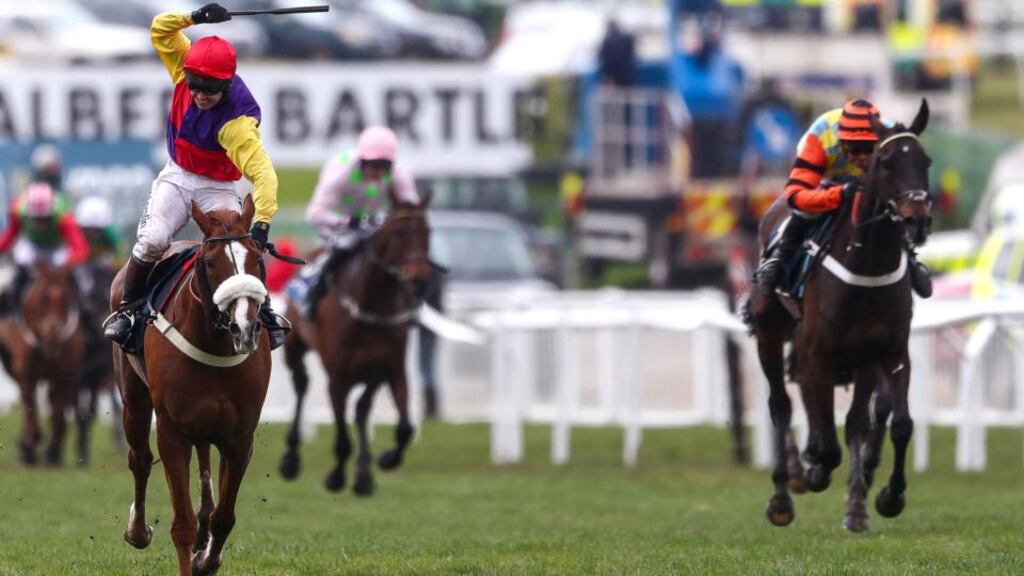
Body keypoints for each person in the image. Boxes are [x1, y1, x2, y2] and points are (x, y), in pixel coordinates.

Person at [104, 3, 288, 348]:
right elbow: (160, 28)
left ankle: (261, 312)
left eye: (210, 91)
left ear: (226, 86)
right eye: (195, 87)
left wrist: (261, 223)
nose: (200, 96)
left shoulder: (238, 125)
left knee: (236, 249)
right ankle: (129, 312)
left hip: (217, 187)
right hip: (177, 176)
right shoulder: (183, 67)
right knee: (153, 240)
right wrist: (194, 17)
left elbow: (265, 177)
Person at [755, 99, 932, 298]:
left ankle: (909, 257)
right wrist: (838, 194)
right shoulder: (820, 139)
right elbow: (795, 196)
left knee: (888, 207)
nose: (862, 157)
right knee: (808, 211)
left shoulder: (889, 137)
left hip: (868, 182)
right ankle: (780, 257)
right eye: (855, 149)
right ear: (841, 142)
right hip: (827, 178)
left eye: (868, 148)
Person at [295, 125, 419, 317]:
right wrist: (345, 221)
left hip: (374, 224)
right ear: (362, 160)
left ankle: (413, 304)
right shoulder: (339, 172)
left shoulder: (399, 173)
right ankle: (312, 294)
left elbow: (411, 208)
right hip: (336, 226)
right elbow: (314, 213)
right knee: (345, 245)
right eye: (373, 164)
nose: (378, 171)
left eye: (384, 166)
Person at [0, 182, 89, 316]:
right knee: (17, 269)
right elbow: (11, 235)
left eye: (45, 218)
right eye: (36, 218)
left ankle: (82, 309)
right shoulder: (17, 210)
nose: (40, 224)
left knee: (80, 280)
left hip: (56, 248)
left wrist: (67, 265)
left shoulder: (64, 215)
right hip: (32, 246)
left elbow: (80, 247)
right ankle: (13, 306)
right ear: (29, 213)